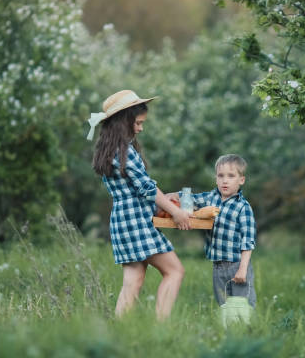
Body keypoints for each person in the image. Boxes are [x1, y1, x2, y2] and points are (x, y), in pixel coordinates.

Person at [87, 89, 191, 320]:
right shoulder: (125, 152)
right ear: (124, 121)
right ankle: (160, 328)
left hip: (122, 220)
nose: (140, 128)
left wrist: (166, 198)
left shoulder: (108, 150)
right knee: (174, 271)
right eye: (138, 123)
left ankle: (119, 331)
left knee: (133, 282)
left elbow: (135, 190)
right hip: (136, 222)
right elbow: (146, 188)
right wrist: (175, 211)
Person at [169, 154, 257, 309]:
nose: (225, 180)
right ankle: (229, 331)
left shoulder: (243, 207)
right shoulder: (211, 197)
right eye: (221, 176)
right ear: (216, 178)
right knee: (224, 305)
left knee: (243, 305)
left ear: (241, 180)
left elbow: (248, 241)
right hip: (217, 266)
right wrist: (168, 197)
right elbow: (191, 199)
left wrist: (243, 269)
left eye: (231, 176)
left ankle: (246, 331)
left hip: (237, 264)